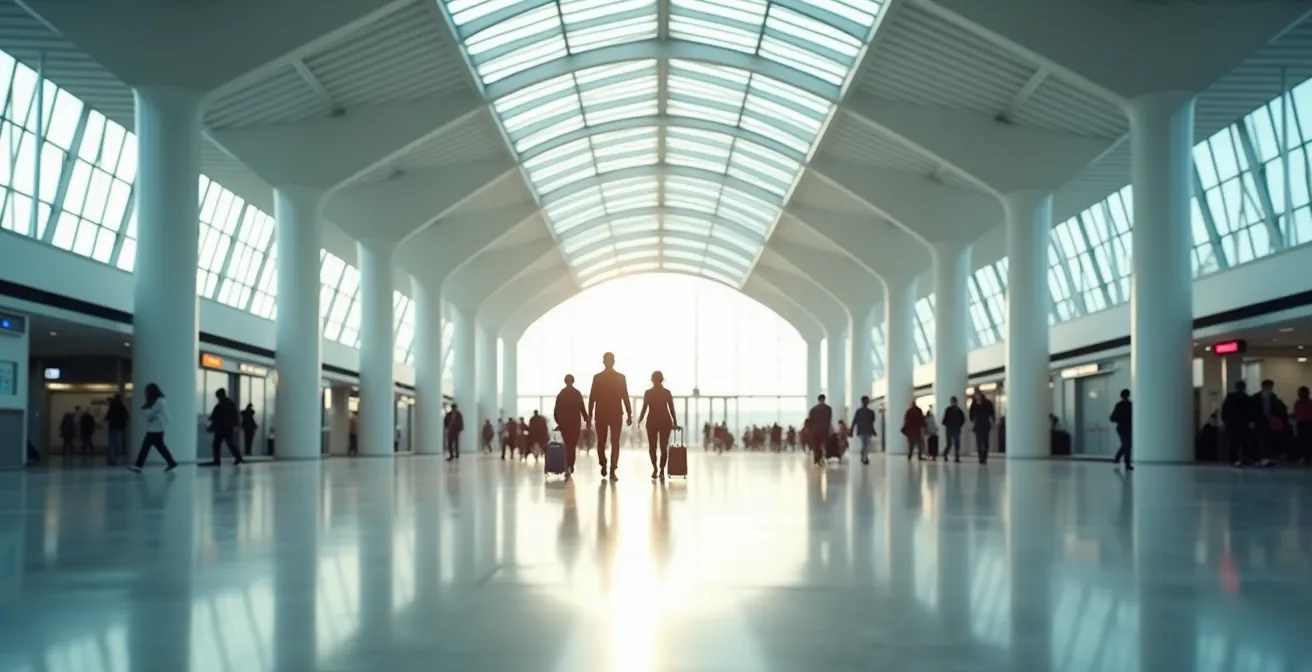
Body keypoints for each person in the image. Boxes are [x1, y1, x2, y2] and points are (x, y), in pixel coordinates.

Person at [588, 352, 632, 481]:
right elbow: (625, 396)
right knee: (615, 441)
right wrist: (629, 414)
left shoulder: (597, 378)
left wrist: (590, 415)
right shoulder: (620, 378)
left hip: (601, 413)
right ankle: (612, 469)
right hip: (616, 413)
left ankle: (603, 463)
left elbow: (592, 397)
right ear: (614, 361)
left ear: (603, 362)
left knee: (601, 441)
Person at [128, 383, 179, 473]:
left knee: (146, 447)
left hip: (155, 429)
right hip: (157, 428)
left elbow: (152, 414)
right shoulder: (160, 401)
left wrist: (146, 410)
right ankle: (171, 462)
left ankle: (139, 465)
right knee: (160, 447)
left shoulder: (159, 401)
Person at [638, 371, 679, 480]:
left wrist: (639, 420)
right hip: (665, 421)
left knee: (652, 447)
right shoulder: (667, 393)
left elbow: (644, 409)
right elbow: (671, 409)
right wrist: (675, 422)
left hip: (652, 421)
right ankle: (661, 470)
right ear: (662, 380)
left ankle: (655, 469)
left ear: (652, 380)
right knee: (663, 447)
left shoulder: (648, 393)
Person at [553, 374, 589, 477]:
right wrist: (586, 420)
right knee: (572, 446)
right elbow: (582, 409)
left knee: (565, 446)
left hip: (564, 425)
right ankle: (570, 466)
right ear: (573, 381)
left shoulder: (561, 394)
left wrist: (559, 422)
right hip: (574, 425)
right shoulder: (577, 393)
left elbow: (555, 411)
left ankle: (566, 466)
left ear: (565, 381)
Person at [204, 388, 243, 467]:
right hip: (228, 428)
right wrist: (236, 425)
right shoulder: (230, 404)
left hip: (221, 428)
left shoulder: (219, 405)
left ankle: (217, 460)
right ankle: (238, 458)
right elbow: (235, 416)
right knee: (230, 443)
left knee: (217, 444)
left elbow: (215, 417)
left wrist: (210, 424)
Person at [1252, 379, 1286, 467]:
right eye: (1269, 386)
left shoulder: (1273, 396)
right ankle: (1260, 458)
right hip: (1260, 421)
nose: (1270, 388)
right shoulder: (1255, 397)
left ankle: (1268, 457)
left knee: (1270, 440)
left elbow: (1276, 409)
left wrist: (1274, 417)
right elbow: (1252, 410)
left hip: (1270, 421)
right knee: (1260, 439)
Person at [1222, 381, 1254, 467]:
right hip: (1244, 424)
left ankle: (1234, 460)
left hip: (1232, 424)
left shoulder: (1230, 397)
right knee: (1245, 444)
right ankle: (1245, 459)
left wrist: (1226, 422)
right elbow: (1250, 413)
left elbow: (1225, 411)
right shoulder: (1247, 398)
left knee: (1233, 444)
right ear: (1244, 388)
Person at [968, 391, 996, 464]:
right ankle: (981, 457)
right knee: (979, 442)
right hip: (978, 425)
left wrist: (992, 423)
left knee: (985, 442)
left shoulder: (987, 403)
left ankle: (984, 456)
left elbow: (992, 414)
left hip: (985, 424)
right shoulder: (974, 404)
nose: (976, 397)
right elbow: (971, 415)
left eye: (977, 395)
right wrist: (972, 424)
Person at [806, 394, 832, 466]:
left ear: (818, 400)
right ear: (824, 399)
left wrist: (810, 430)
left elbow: (810, 421)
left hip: (815, 431)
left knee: (816, 446)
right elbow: (829, 420)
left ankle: (818, 459)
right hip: (824, 430)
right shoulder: (828, 409)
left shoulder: (813, 410)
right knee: (824, 445)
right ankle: (822, 458)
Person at [1110, 389, 1133, 470]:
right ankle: (1124, 462)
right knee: (1127, 445)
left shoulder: (1120, 405)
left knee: (1126, 445)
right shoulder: (1130, 405)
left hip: (1122, 427)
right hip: (1126, 427)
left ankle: (1119, 459)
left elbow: (1112, 418)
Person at [850, 395, 877, 465]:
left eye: (867, 401)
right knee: (865, 444)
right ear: (862, 402)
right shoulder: (859, 411)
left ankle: (864, 456)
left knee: (866, 444)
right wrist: (851, 429)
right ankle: (865, 457)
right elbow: (854, 421)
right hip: (861, 430)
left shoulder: (871, 412)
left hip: (868, 430)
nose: (866, 402)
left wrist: (873, 430)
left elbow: (872, 422)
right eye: (865, 401)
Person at [105, 394, 129, 466]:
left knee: (112, 442)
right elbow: (126, 416)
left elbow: (108, 416)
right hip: (121, 427)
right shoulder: (122, 406)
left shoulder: (113, 406)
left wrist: (105, 420)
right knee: (119, 442)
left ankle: (112, 458)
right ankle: (119, 457)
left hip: (113, 426)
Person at [941, 396, 965, 463]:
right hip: (953, 428)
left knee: (954, 443)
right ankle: (947, 454)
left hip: (952, 428)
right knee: (952, 443)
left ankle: (953, 456)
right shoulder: (957, 410)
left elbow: (945, 420)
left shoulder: (954, 410)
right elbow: (962, 420)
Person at [1293, 386, 1312, 465]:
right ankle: (1305, 456)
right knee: (1303, 440)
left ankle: (1306, 457)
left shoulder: (1307, 403)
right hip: (1302, 423)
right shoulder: (1299, 402)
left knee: (1306, 441)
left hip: (1308, 423)